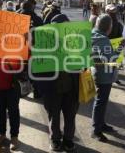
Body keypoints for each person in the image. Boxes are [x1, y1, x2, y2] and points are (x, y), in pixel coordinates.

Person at [37, 14, 80, 152]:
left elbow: (83, 63)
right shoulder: (44, 42)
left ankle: (68, 139)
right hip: (52, 88)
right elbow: (36, 67)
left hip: (71, 88)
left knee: (70, 116)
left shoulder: (76, 41)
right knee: (54, 116)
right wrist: (40, 88)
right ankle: (55, 139)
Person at [91, 14, 125, 142]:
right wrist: (121, 47)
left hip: (97, 72)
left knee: (101, 101)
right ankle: (96, 130)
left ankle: (101, 124)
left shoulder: (93, 33)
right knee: (100, 102)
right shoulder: (102, 39)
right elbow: (110, 59)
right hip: (103, 75)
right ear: (108, 27)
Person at [106, 4, 124, 85]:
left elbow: (121, 34)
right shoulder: (104, 21)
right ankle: (109, 79)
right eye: (111, 11)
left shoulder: (118, 22)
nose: (113, 13)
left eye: (114, 11)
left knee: (115, 64)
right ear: (107, 11)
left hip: (115, 45)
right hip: (106, 45)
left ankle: (115, 78)